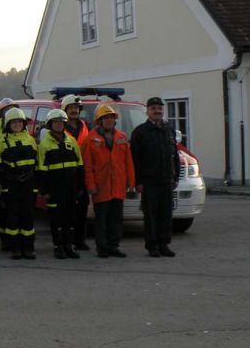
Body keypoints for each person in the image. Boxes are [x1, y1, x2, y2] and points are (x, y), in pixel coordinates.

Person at [82, 104, 136, 258]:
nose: (109, 120)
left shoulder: (122, 137)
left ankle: (114, 246)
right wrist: (90, 185)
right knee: (101, 221)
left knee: (116, 219)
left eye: (111, 117)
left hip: (118, 187)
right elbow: (88, 166)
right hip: (101, 187)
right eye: (106, 118)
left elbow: (128, 163)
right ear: (99, 121)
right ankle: (102, 248)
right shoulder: (90, 139)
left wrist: (131, 183)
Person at [130, 97, 180, 258]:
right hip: (149, 181)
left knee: (166, 214)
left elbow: (175, 156)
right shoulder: (140, 132)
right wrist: (138, 181)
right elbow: (135, 159)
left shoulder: (169, 130)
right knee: (150, 216)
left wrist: (176, 177)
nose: (157, 111)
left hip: (167, 180)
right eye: (154, 108)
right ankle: (152, 246)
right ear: (148, 111)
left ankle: (164, 244)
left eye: (160, 108)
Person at [36, 109, 84, 260]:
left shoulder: (72, 142)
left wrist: (80, 187)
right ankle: (58, 247)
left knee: (70, 220)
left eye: (61, 122)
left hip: (70, 189)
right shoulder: (44, 145)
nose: (58, 125)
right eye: (55, 122)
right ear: (50, 124)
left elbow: (79, 166)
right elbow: (41, 171)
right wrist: (45, 191)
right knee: (56, 220)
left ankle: (69, 246)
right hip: (54, 191)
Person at [0, 107, 38, 260]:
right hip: (11, 184)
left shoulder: (30, 140)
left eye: (20, 121)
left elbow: (36, 164)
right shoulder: (1, 142)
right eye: (14, 122)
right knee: (12, 216)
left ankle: (28, 247)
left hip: (28, 183)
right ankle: (15, 248)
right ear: (8, 124)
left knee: (28, 216)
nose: (17, 124)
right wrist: (0, 183)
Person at [61, 94, 91, 251]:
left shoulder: (86, 126)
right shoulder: (60, 127)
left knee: (82, 209)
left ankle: (80, 240)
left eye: (76, 108)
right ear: (65, 110)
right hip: (67, 174)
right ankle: (68, 241)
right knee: (68, 210)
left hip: (82, 173)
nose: (74, 111)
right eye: (71, 108)